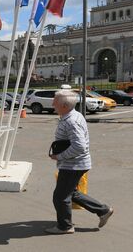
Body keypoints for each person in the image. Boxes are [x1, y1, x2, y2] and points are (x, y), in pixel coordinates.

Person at [45, 89, 114, 235]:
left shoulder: (71, 121)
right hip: (75, 164)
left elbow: (79, 146)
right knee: (71, 193)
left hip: (73, 165)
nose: (52, 103)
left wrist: (60, 156)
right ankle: (103, 210)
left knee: (60, 197)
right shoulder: (72, 115)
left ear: (64, 105)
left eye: (55, 101)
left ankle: (65, 226)